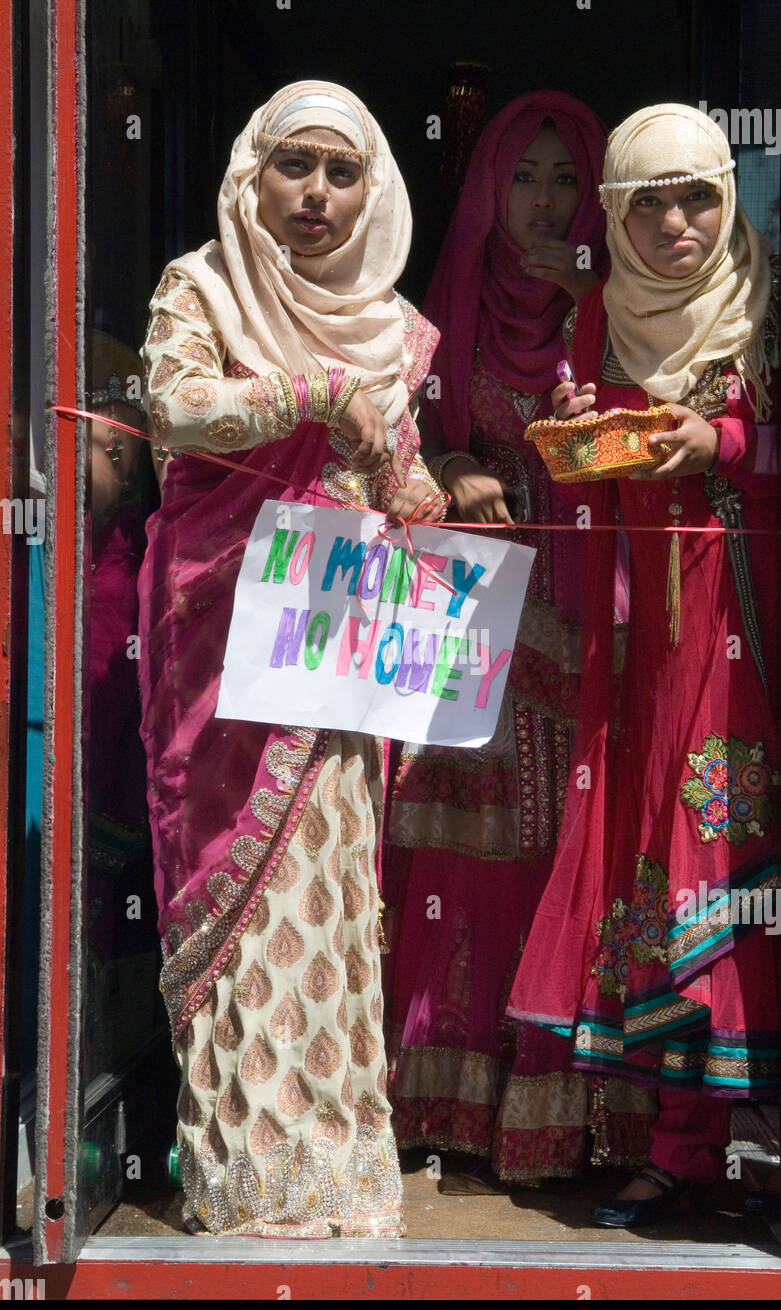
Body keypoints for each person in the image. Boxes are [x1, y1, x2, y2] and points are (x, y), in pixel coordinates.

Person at [139, 81, 447, 1238]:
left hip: (338, 633)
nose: (315, 196)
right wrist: (319, 392)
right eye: (294, 168)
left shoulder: (392, 323)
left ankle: (335, 1170)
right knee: (239, 886)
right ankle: (245, 1175)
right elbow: (176, 408)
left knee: (330, 886)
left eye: (341, 173)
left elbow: (396, 473)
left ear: (374, 192)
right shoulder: (202, 285)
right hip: (222, 634)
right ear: (249, 174)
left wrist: (456, 514)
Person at [507, 103, 781, 1225]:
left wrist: (720, 441)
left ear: (729, 200)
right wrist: (573, 436)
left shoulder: (772, 314)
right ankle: (687, 1147)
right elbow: (588, 480)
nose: (677, 223)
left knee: (748, 860)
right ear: (614, 216)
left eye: (699, 196)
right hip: (649, 648)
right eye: (648, 202)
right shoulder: (596, 327)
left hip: (761, 634)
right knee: (663, 866)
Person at [383, 92, 612, 1185]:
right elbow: (394, 443)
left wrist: (596, 307)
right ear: (484, 189)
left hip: (585, 638)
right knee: (459, 864)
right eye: (523, 176)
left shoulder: (619, 306)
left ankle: (562, 1119)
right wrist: (444, 469)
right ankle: (447, 1107)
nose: (544, 201)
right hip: (470, 637)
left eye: (566, 178)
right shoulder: (445, 313)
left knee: (566, 847)